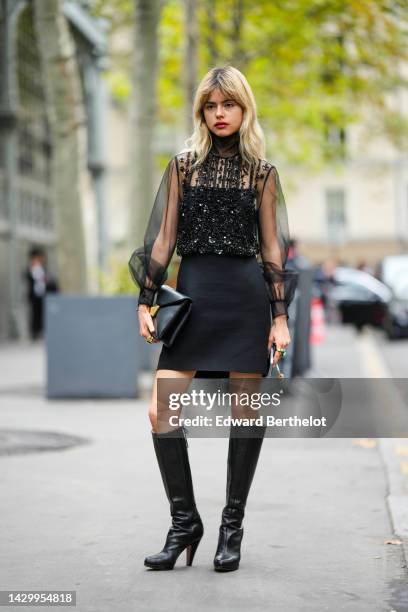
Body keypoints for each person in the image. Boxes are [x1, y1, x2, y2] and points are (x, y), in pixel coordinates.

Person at [128, 66, 298, 572]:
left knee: (244, 416)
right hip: (196, 298)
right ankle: (185, 523)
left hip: (245, 301)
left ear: (244, 109)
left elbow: (271, 249)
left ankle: (232, 527)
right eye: (210, 105)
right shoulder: (182, 167)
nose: (219, 114)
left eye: (228, 105)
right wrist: (145, 298)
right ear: (201, 111)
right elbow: (163, 240)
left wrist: (280, 317)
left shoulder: (262, 174)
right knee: (162, 411)